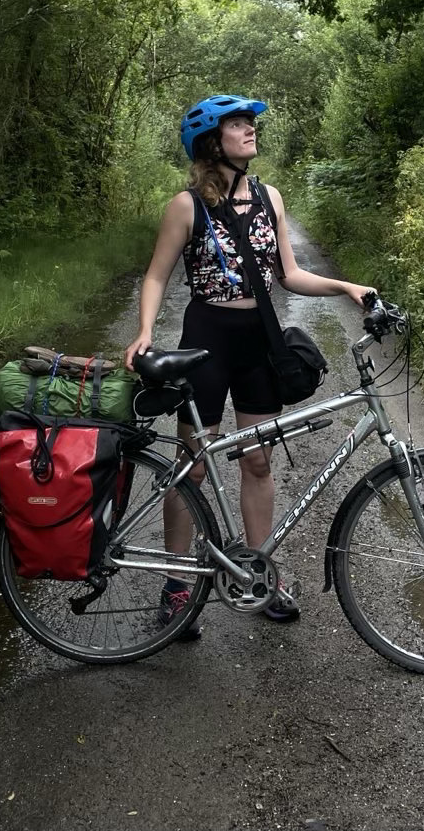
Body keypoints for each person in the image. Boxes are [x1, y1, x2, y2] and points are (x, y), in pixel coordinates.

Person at [123, 94, 374, 637]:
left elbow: (289, 274)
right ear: (213, 141)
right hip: (206, 337)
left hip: (259, 339)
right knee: (191, 463)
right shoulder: (186, 206)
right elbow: (156, 276)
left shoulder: (270, 197)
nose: (250, 130)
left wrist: (345, 286)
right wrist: (144, 332)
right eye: (238, 124)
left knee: (256, 461)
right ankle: (177, 584)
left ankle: (258, 576)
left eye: (251, 123)